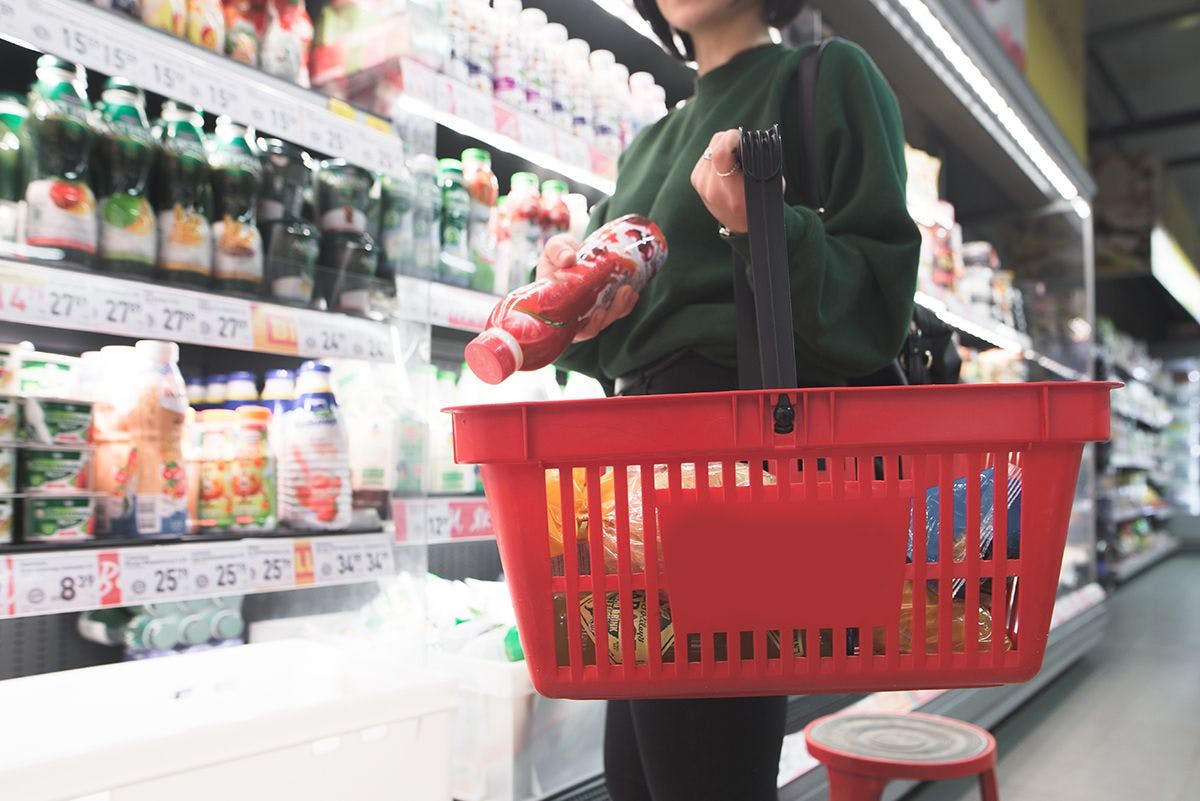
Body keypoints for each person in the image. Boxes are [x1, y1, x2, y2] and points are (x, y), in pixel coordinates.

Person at [536, 1, 921, 799]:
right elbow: (618, 345)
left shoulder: (824, 78)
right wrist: (575, 306)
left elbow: (877, 302)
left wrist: (766, 226)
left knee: (704, 769)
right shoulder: (649, 144)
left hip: (743, 462)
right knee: (639, 775)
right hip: (628, 482)